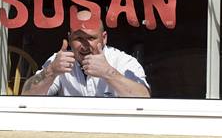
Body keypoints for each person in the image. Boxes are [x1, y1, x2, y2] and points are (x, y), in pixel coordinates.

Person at [22, 10, 150, 97]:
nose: (85, 45)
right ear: (70, 38)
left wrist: (109, 73)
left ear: (104, 38)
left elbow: (144, 97)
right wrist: (51, 72)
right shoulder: (59, 61)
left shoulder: (122, 61)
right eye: (79, 39)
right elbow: (26, 96)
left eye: (91, 38)